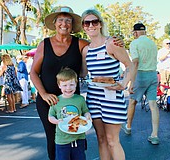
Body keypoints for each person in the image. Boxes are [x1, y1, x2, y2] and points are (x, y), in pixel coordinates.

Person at [30, 6, 123, 160]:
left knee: (76, 134)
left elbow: (100, 44)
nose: (64, 23)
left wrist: (115, 40)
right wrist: (43, 94)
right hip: (49, 102)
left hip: (73, 101)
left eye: (68, 20)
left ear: (73, 25)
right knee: (53, 137)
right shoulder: (44, 44)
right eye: (61, 19)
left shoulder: (80, 44)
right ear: (55, 23)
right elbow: (33, 72)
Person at [80, 9, 134, 160]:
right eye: (87, 23)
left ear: (100, 24)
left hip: (112, 97)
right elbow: (83, 74)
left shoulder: (111, 43)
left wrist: (124, 84)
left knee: (112, 141)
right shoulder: (86, 50)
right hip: (93, 98)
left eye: (94, 22)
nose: (91, 25)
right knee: (101, 139)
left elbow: (129, 65)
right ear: (83, 26)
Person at [121, 23, 160, 145]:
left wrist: (132, 82)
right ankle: (154, 135)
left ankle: (128, 127)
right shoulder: (152, 43)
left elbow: (136, 63)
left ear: (135, 32)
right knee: (153, 105)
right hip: (153, 75)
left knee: (132, 101)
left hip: (141, 75)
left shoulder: (135, 43)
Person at [48, 67, 91, 160]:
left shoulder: (80, 99)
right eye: (64, 85)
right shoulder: (56, 100)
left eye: (71, 84)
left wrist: (87, 116)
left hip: (79, 138)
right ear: (59, 85)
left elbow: (85, 111)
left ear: (76, 84)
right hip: (62, 140)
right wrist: (57, 121)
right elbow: (50, 116)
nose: (68, 88)